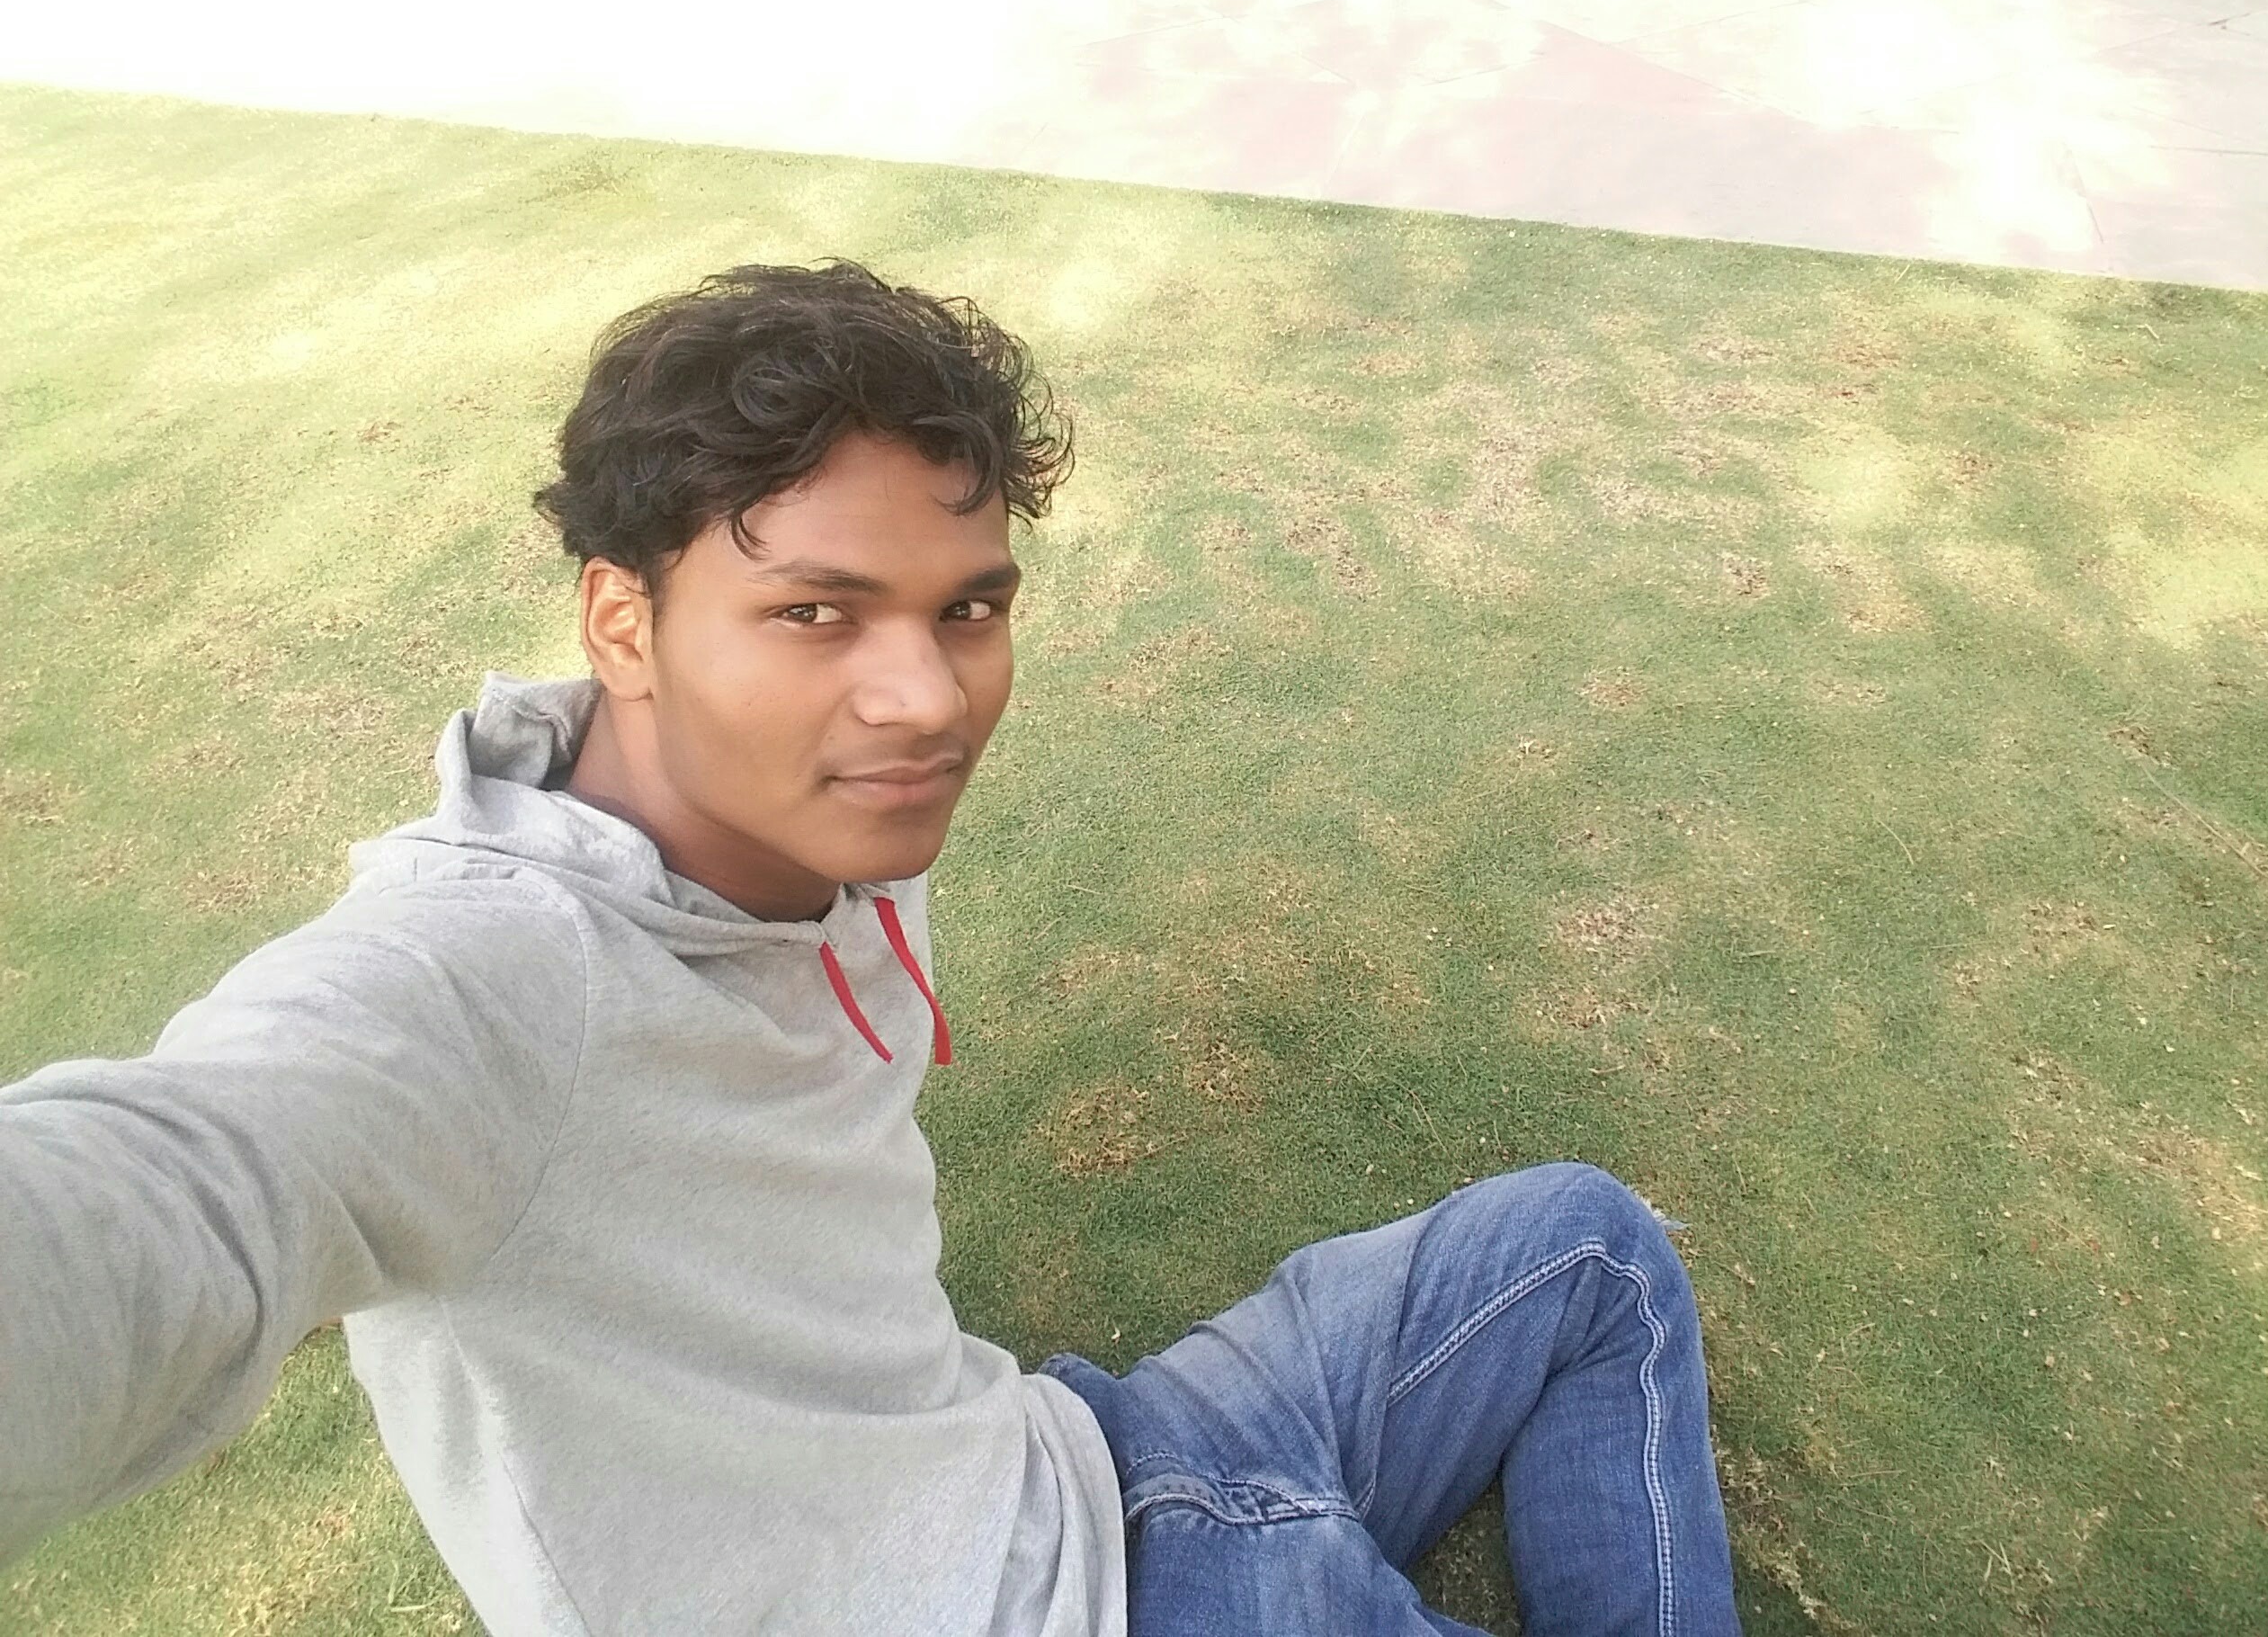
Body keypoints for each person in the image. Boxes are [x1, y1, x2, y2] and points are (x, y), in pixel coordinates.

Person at [0, 261, 1739, 1634]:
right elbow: (181, 1186)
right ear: (622, 621)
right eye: (815, 613)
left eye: (967, 609)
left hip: (1084, 1454)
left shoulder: (818, 819)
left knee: (1584, 1245)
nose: (926, 700)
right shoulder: (487, 981)